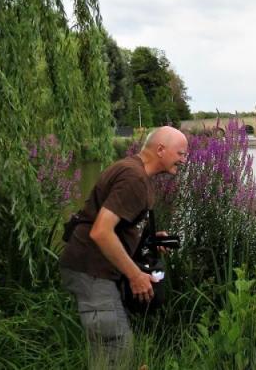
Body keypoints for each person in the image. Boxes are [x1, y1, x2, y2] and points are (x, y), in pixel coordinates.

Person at [59, 126, 188, 369]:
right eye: (181, 153)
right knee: (116, 347)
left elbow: (115, 224)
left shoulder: (135, 172)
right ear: (160, 149)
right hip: (92, 270)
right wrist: (135, 275)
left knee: (108, 349)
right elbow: (101, 231)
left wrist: (146, 238)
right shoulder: (133, 178)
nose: (184, 160)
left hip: (93, 269)